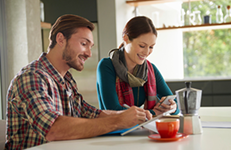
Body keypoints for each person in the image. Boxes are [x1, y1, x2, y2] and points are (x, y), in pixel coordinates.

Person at [5, 14, 152, 150]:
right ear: (61, 39)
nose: (88, 53)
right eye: (83, 44)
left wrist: (131, 116)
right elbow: (53, 130)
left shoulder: (66, 80)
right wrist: (119, 120)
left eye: (90, 47)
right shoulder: (32, 77)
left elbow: (90, 113)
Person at [96, 16, 179, 116]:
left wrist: (173, 107)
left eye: (151, 47)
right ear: (125, 38)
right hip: (113, 130)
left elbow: (174, 104)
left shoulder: (150, 69)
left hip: (139, 129)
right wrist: (153, 113)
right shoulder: (106, 66)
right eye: (142, 46)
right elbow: (113, 109)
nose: (147, 52)